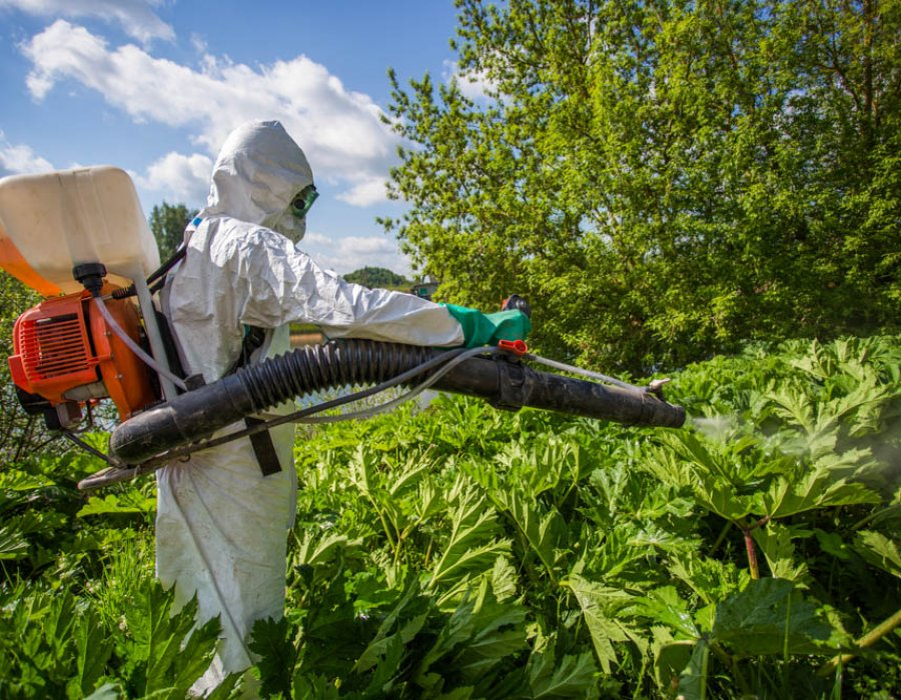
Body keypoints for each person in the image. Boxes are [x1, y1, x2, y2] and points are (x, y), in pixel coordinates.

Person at [155, 119, 530, 694]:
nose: (301, 213)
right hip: (233, 458)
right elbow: (347, 307)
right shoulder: (246, 244)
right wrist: (464, 325)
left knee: (196, 607)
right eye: (297, 198)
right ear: (263, 185)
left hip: (189, 455)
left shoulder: (195, 241)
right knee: (244, 609)